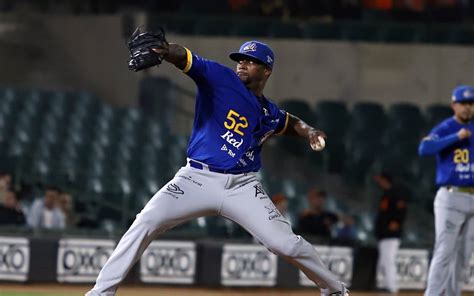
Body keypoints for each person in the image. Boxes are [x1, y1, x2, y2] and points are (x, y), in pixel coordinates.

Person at [86, 35, 349, 295]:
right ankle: (101, 293)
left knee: (287, 245)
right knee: (145, 221)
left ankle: (335, 290)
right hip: (196, 178)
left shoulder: (268, 112)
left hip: (242, 186)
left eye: (251, 61)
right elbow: (186, 58)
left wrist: (309, 130)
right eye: (241, 59)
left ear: (267, 71)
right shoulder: (220, 78)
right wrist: (165, 51)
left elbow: (289, 122)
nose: (242, 64)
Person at [418, 85, 474, 296]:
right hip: (451, 196)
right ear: (454, 105)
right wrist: (456, 137)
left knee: (464, 255)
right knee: (444, 252)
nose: (468, 108)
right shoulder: (446, 127)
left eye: (472, 104)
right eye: (464, 103)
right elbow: (424, 149)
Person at [373, 172, 407, 294]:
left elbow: (401, 209)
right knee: (384, 260)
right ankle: (385, 285)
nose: (379, 182)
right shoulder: (386, 194)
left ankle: (391, 287)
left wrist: (397, 221)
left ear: (385, 180)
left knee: (389, 259)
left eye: (380, 180)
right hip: (383, 233)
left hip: (392, 234)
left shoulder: (395, 193)